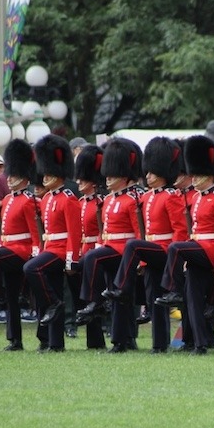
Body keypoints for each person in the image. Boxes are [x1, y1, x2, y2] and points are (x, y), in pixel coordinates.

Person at [103, 137, 188, 353]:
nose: (147, 176)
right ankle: (159, 344)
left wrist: (176, 260)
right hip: (151, 252)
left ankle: (122, 287)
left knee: (132, 245)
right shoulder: (147, 197)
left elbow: (180, 230)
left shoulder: (172, 196)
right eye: (147, 172)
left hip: (167, 251)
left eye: (152, 172)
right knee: (155, 298)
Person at [155, 135, 214, 354]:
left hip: (210, 251)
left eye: (199, 175)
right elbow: (194, 230)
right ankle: (199, 344)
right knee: (192, 301)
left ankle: (171, 288)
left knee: (175, 247)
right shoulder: (197, 198)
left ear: (210, 175)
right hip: (197, 250)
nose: (195, 178)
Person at [75, 139, 143, 352]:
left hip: (125, 252)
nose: (107, 178)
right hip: (110, 249)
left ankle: (94, 302)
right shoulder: (110, 200)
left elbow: (139, 231)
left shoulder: (133, 199)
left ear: (124, 176)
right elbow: (105, 231)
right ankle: (122, 341)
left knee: (92, 259)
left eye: (112, 175)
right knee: (118, 296)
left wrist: (140, 259)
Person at [0, 139, 42, 351]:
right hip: (9, 250)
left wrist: (36, 253)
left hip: (23, 251)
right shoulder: (7, 200)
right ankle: (15, 340)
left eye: (13, 175)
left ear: (24, 177)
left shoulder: (30, 200)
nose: (10, 178)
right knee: (12, 298)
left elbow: (35, 232)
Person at [23, 135, 82, 352]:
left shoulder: (68, 198)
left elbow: (74, 233)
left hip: (60, 252)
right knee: (50, 291)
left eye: (49, 173)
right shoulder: (47, 199)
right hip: (50, 249)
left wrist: (71, 260)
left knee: (31, 268)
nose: (44, 177)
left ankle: (56, 304)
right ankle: (53, 342)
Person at [69, 144, 107, 350]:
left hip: (96, 252)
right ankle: (94, 341)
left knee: (93, 297)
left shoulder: (101, 202)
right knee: (84, 299)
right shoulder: (80, 202)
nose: (78, 182)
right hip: (83, 251)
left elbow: (104, 230)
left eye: (83, 179)